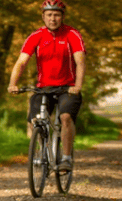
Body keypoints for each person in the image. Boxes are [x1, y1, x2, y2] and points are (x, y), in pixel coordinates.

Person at [7, 0, 85, 172]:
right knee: (36, 119)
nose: (53, 18)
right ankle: (43, 149)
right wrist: (13, 84)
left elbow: (80, 62)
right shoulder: (36, 36)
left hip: (68, 87)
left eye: (56, 14)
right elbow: (21, 62)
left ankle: (66, 157)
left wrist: (77, 86)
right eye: (49, 15)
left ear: (62, 16)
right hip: (43, 87)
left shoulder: (72, 34)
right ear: (43, 16)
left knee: (65, 117)